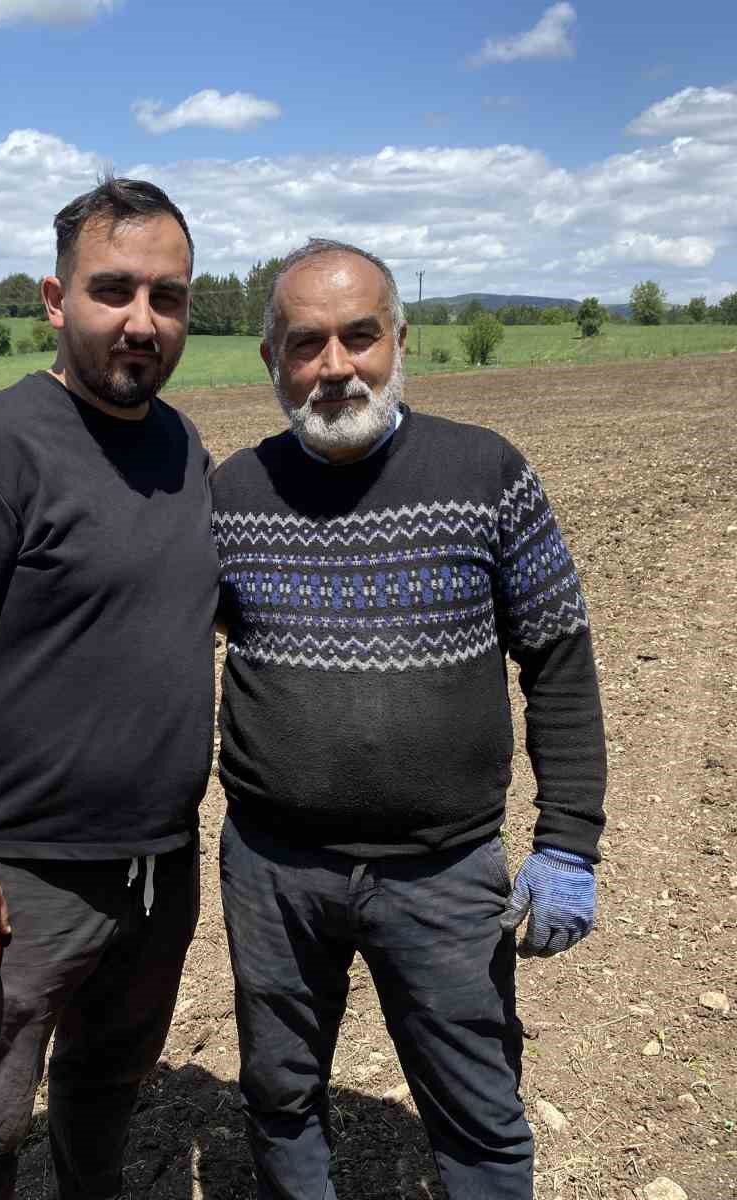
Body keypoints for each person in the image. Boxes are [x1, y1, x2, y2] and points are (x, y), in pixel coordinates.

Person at [211, 238, 608, 1199]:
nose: (336, 367)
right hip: (273, 873)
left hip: (442, 871)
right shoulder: (230, 495)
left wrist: (570, 842)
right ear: (272, 360)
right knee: (281, 1098)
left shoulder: (486, 473)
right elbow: (137, 640)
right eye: (307, 344)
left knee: (479, 1117)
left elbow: (558, 656)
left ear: (400, 340)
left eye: (360, 336)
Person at [0, 177, 217, 1200]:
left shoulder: (179, 445)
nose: (140, 320)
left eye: (167, 296)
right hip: (23, 876)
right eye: (112, 289)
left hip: (156, 865)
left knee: (107, 1086)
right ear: (53, 298)